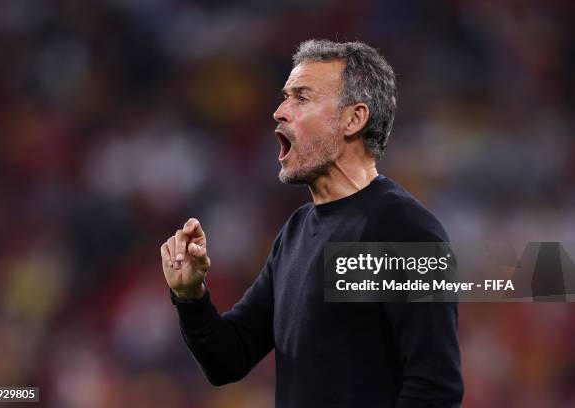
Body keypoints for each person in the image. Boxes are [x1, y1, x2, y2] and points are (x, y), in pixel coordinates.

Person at [160, 39, 464, 407]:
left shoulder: (405, 230)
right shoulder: (296, 231)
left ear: (354, 119)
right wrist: (191, 296)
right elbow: (229, 358)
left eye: (301, 98)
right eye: (285, 97)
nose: (279, 111)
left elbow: (434, 388)